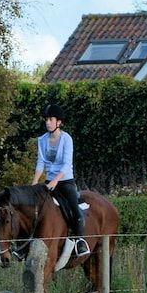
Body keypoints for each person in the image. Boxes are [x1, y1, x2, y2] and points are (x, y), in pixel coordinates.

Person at [30, 106, 86, 255]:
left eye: (51, 119)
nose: (47, 122)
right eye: (46, 120)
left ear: (58, 122)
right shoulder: (41, 140)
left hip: (65, 181)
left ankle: (80, 240)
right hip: (49, 182)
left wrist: (55, 181)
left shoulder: (67, 139)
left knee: (74, 207)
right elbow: (40, 163)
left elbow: (67, 164)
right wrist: (35, 181)